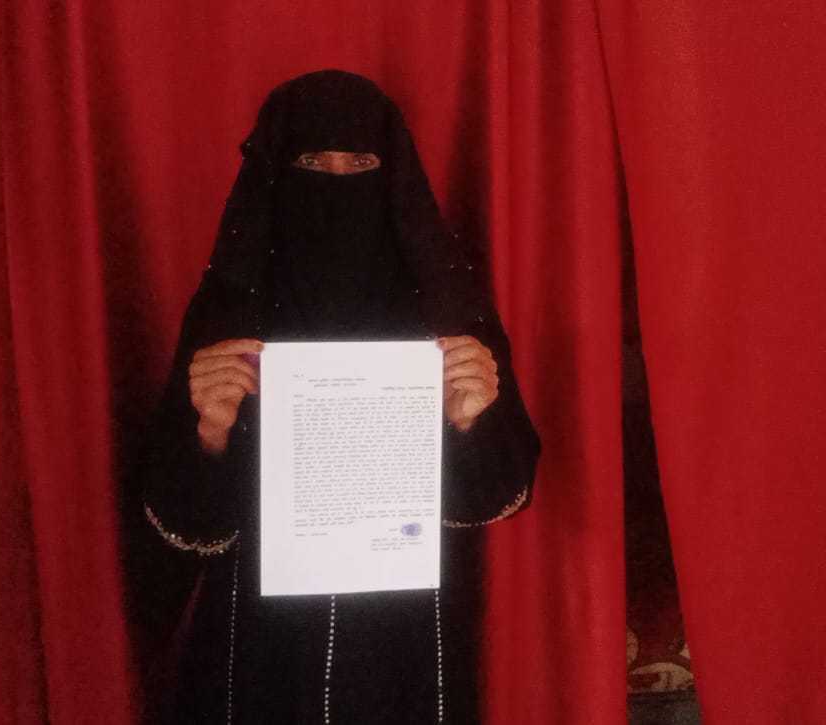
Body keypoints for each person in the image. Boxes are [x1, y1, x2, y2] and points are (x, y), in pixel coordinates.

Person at [141, 70, 540, 724]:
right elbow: (182, 528)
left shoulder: (447, 310)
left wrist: (471, 425)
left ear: (392, 175)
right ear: (277, 174)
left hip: (408, 636)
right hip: (260, 642)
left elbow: (497, 497)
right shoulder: (230, 308)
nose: (335, 181)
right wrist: (208, 433)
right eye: (310, 163)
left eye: (360, 164)